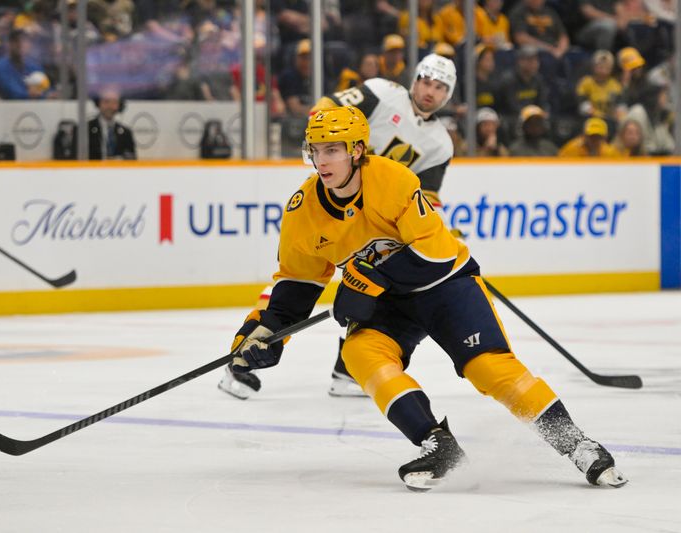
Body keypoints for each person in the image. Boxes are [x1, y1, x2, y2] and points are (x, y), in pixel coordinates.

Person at [226, 105, 627, 491]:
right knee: (360, 353)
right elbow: (296, 285)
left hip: (444, 284)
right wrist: (264, 333)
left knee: (488, 369)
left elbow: (433, 256)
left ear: (357, 151)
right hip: (388, 304)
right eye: (316, 150)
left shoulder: (393, 180)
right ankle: (438, 444)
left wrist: (368, 280)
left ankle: (577, 444)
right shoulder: (302, 212)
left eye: (333, 149)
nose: (323, 160)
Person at [218, 54, 458, 399]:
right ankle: (245, 355)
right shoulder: (382, 92)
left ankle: (346, 371)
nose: (430, 92)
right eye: (426, 81)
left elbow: (427, 195)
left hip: (377, 221)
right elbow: (326, 110)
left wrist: (436, 229)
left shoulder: (441, 142)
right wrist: (328, 154)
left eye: (440, 87)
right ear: (415, 79)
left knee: (375, 286)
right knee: (296, 281)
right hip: (336, 197)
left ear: (447, 95)